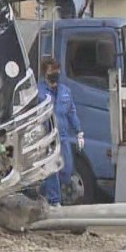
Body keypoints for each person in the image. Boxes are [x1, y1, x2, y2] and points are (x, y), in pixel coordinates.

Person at [39, 56, 84, 207]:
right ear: (45, 73)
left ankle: (40, 190)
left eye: (57, 71)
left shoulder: (65, 91)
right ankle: (54, 200)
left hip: (63, 137)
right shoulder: (39, 92)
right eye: (52, 71)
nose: (56, 74)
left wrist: (79, 132)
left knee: (66, 171)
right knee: (53, 170)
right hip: (48, 137)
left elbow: (71, 112)